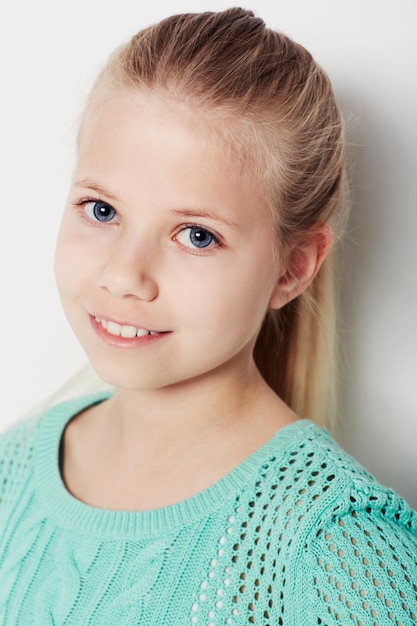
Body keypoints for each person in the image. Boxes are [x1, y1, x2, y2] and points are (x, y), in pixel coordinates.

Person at [0, 7, 416, 625]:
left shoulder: (338, 553)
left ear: (292, 268)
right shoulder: (14, 469)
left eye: (196, 235)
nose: (124, 276)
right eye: (102, 210)